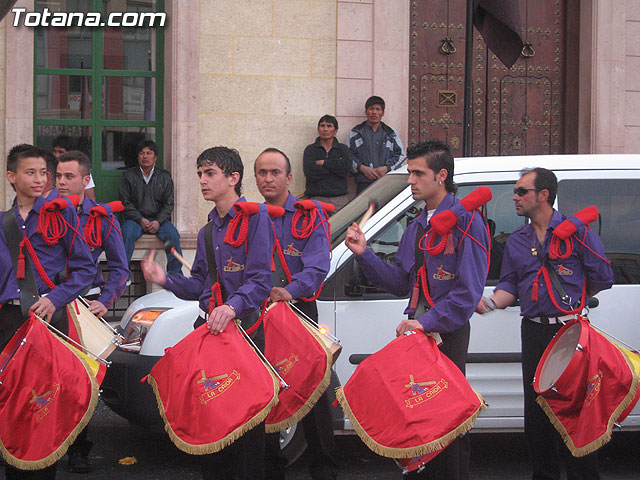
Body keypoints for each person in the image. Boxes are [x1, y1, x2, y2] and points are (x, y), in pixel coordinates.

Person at [344, 140, 489, 479]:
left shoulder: (468, 223)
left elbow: (467, 294)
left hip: (445, 334)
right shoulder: (417, 225)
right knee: (419, 419)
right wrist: (364, 253)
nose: (410, 181)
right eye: (409, 173)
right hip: (418, 335)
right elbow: (401, 282)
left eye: (417, 173)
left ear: (441, 175)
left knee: (448, 426)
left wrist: (425, 323)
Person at [141, 146, 273, 479]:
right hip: (212, 332)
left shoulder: (257, 219)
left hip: (246, 332)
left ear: (233, 178)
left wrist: (232, 306)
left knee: (248, 422)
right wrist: (165, 279)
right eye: (200, 173)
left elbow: (260, 280)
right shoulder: (208, 230)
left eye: (209, 173)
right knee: (212, 414)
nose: (202, 180)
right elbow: (200, 284)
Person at [476, 167, 614, 480]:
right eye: (515, 191)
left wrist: (574, 301)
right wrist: (490, 303)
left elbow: (603, 277)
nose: (514, 197)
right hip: (534, 331)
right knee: (537, 414)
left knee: (575, 412)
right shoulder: (517, 240)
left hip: (569, 331)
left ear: (543, 195)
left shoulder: (575, 231)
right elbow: (510, 284)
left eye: (521, 191)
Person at [1, 146, 95, 480]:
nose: (40, 180)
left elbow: (86, 269)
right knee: (12, 406)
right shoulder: (3, 222)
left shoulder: (61, 213)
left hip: (47, 320)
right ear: (12, 177)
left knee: (44, 406)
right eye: (31, 173)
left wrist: (56, 298)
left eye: (44, 173)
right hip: (9, 322)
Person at [255, 148, 337, 480]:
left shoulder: (309, 215)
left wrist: (290, 289)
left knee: (313, 393)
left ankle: (325, 470)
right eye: (262, 172)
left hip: (298, 311)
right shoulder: (250, 217)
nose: (268, 179)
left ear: (289, 178)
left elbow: (319, 266)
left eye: (275, 172)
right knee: (267, 392)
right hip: (261, 316)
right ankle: (273, 469)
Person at [55, 151, 128, 473]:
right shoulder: (46, 213)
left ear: (86, 181)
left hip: (85, 307)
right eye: (58, 176)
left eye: (68, 177)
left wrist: (106, 299)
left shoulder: (100, 217)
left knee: (80, 380)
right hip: (49, 305)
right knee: (42, 378)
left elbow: (120, 267)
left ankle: (79, 449)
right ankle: (43, 443)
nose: (61, 183)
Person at [119, 140, 183, 275]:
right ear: (137, 157)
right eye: (142, 153)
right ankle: (123, 274)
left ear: (155, 157)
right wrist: (140, 219)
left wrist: (158, 221)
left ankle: (175, 275)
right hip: (135, 220)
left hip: (159, 219)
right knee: (126, 234)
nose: (145, 156)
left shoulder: (164, 177)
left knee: (173, 235)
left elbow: (169, 203)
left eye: (149, 153)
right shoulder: (129, 176)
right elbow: (125, 202)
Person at [348, 96, 405, 194]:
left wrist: (386, 168)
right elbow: (348, 155)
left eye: (378, 109)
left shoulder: (391, 133)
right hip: (363, 182)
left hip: (386, 182)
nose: (374, 112)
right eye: (371, 109)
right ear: (366, 112)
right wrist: (362, 168)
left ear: (382, 113)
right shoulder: (356, 133)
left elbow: (401, 156)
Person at [303, 115, 353, 211]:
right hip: (317, 199)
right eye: (322, 126)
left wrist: (324, 163)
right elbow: (310, 173)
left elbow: (346, 169)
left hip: (339, 199)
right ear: (318, 129)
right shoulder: (310, 150)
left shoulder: (343, 149)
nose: (325, 129)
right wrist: (336, 168)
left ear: (335, 130)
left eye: (329, 126)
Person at [51, 135, 96, 201]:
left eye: (60, 152)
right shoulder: (49, 168)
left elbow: (91, 198)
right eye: (58, 176)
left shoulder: (81, 169)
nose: (56, 155)